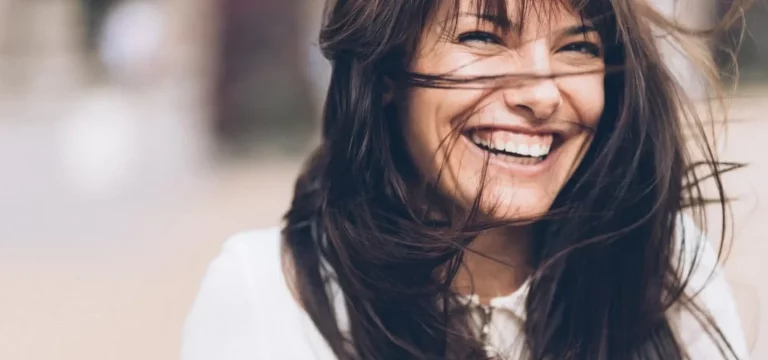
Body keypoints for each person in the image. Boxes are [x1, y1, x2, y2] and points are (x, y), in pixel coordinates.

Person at [181, 0, 751, 359]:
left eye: (577, 47)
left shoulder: (664, 266)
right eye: (482, 37)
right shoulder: (272, 296)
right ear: (386, 72)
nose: (541, 93)